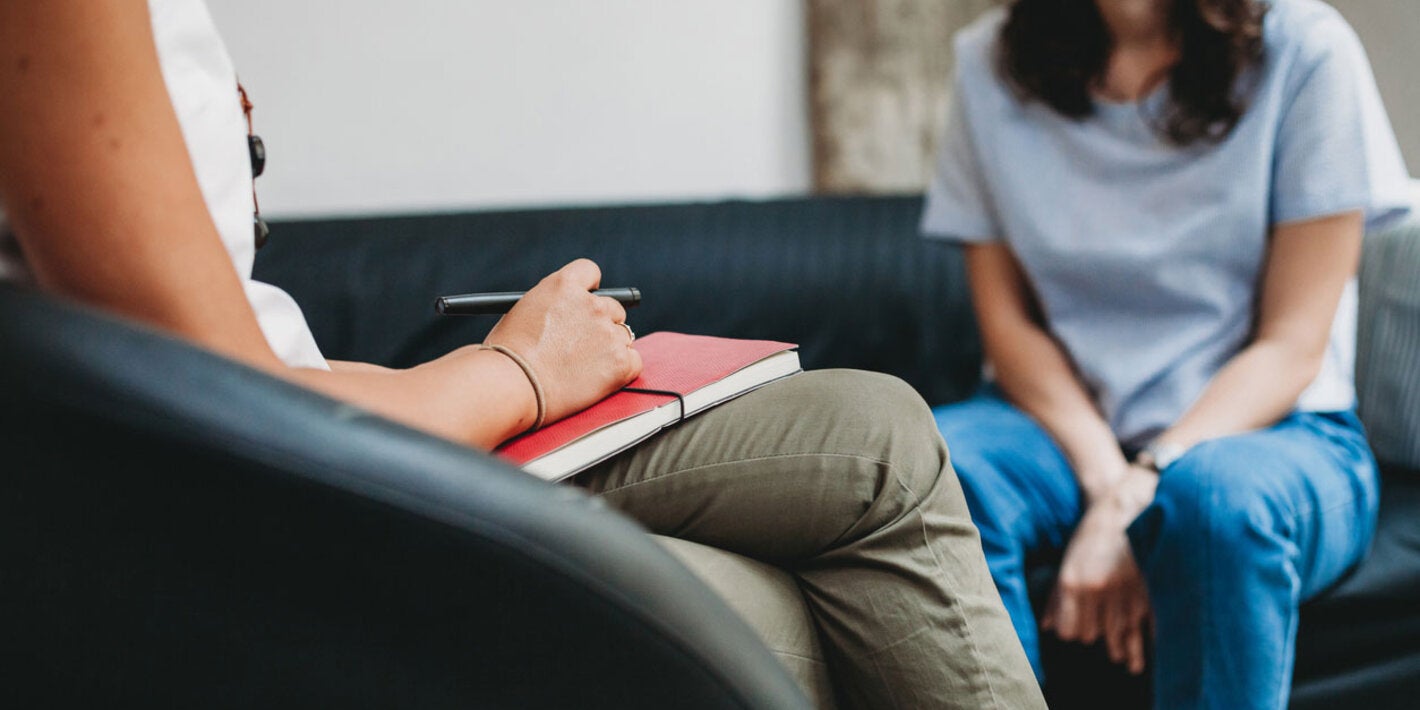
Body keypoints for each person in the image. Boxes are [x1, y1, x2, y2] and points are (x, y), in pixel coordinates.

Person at [0, 1, 1047, 708]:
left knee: (874, 427)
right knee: (783, 605)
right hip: (246, 510)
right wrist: (517, 372)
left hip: (305, 434)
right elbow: (215, 402)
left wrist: (484, 372)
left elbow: (253, 346)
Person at [922, 0, 1411, 707]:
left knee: (1213, 502)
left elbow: (1292, 345)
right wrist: (1107, 482)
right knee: (926, 469)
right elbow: (1010, 327)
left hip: (1272, 428)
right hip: (1057, 429)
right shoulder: (987, 63)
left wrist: (1148, 478)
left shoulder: (1309, 51)